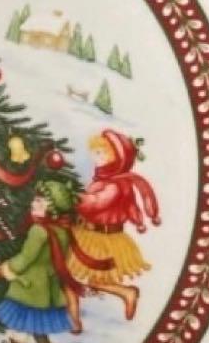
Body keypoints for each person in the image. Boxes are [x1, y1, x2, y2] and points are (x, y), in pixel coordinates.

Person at [0, 179, 84, 343]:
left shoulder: (39, 230)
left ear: (51, 207)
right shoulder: (62, 230)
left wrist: (3, 270)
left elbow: (24, 260)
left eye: (39, 200)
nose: (33, 203)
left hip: (28, 288)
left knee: (19, 329)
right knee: (35, 322)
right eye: (35, 199)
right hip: (46, 288)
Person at [67, 129, 160, 319]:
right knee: (79, 274)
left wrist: (74, 197)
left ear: (115, 157)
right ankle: (123, 293)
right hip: (90, 233)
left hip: (103, 239)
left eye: (100, 153)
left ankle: (126, 293)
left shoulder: (115, 185)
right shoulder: (103, 179)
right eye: (94, 153)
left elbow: (95, 203)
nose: (95, 158)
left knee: (81, 275)